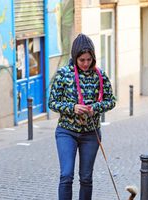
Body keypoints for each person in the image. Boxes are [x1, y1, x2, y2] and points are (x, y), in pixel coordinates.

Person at [48, 33, 116, 200]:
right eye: (82, 60)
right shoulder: (64, 74)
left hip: (90, 134)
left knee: (86, 178)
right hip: (67, 132)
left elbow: (111, 101)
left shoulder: (100, 75)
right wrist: (72, 108)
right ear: (75, 58)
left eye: (89, 59)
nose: (86, 64)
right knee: (66, 175)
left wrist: (95, 108)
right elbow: (52, 102)